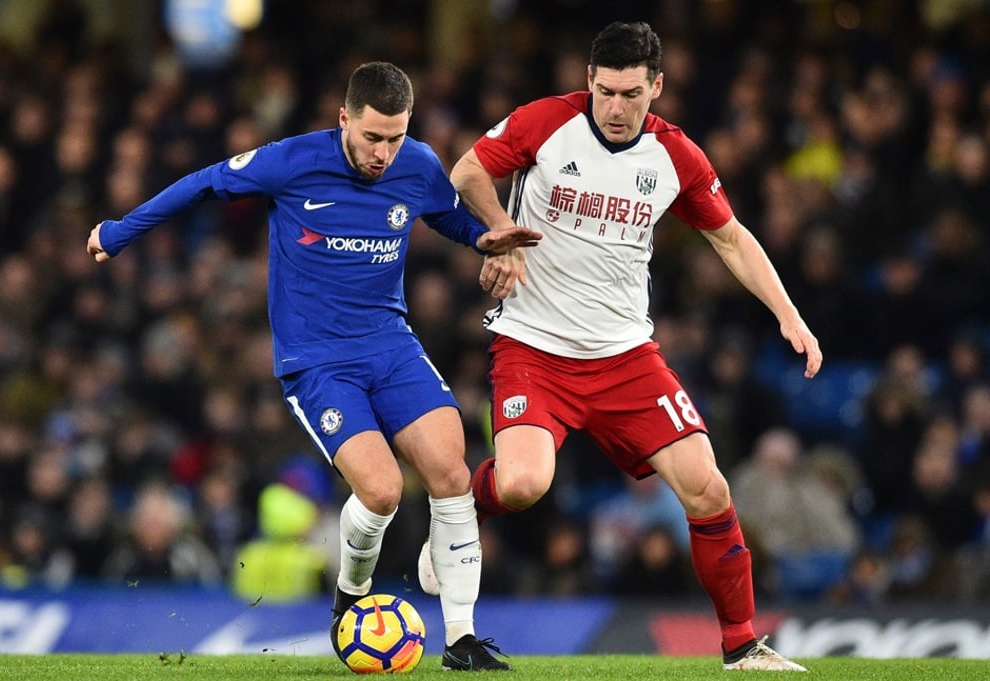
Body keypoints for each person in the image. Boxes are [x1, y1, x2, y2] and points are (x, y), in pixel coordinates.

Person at [87, 61, 540, 671]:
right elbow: (202, 183)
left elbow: (445, 215)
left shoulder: (420, 163)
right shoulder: (293, 161)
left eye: (396, 137)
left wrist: (482, 239)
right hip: (318, 361)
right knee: (379, 492)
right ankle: (351, 597)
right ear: (344, 118)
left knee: (453, 476)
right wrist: (119, 231)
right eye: (373, 137)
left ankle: (461, 640)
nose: (384, 153)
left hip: (391, 344)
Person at [420, 22, 821, 672]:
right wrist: (499, 229)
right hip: (533, 344)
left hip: (626, 356)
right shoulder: (545, 123)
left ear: (656, 87)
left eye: (630, 94)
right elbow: (467, 171)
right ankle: (461, 515)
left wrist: (788, 314)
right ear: (588, 81)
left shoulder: (676, 157)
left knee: (708, 488)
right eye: (604, 91)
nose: (614, 107)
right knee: (522, 484)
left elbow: (731, 238)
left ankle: (743, 646)